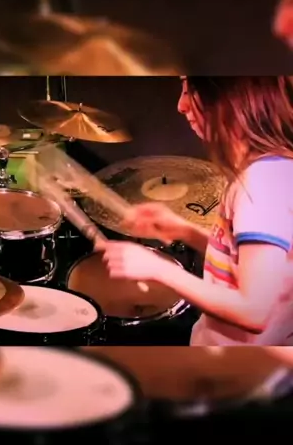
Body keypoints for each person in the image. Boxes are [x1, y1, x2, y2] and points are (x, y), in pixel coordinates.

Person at [97, 76, 293, 346]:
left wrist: (158, 269)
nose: (181, 105)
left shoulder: (261, 185)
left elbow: (254, 311)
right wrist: (185, 231)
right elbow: (244, 262)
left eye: (190, 89)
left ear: (231, 98)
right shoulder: (277, 169)